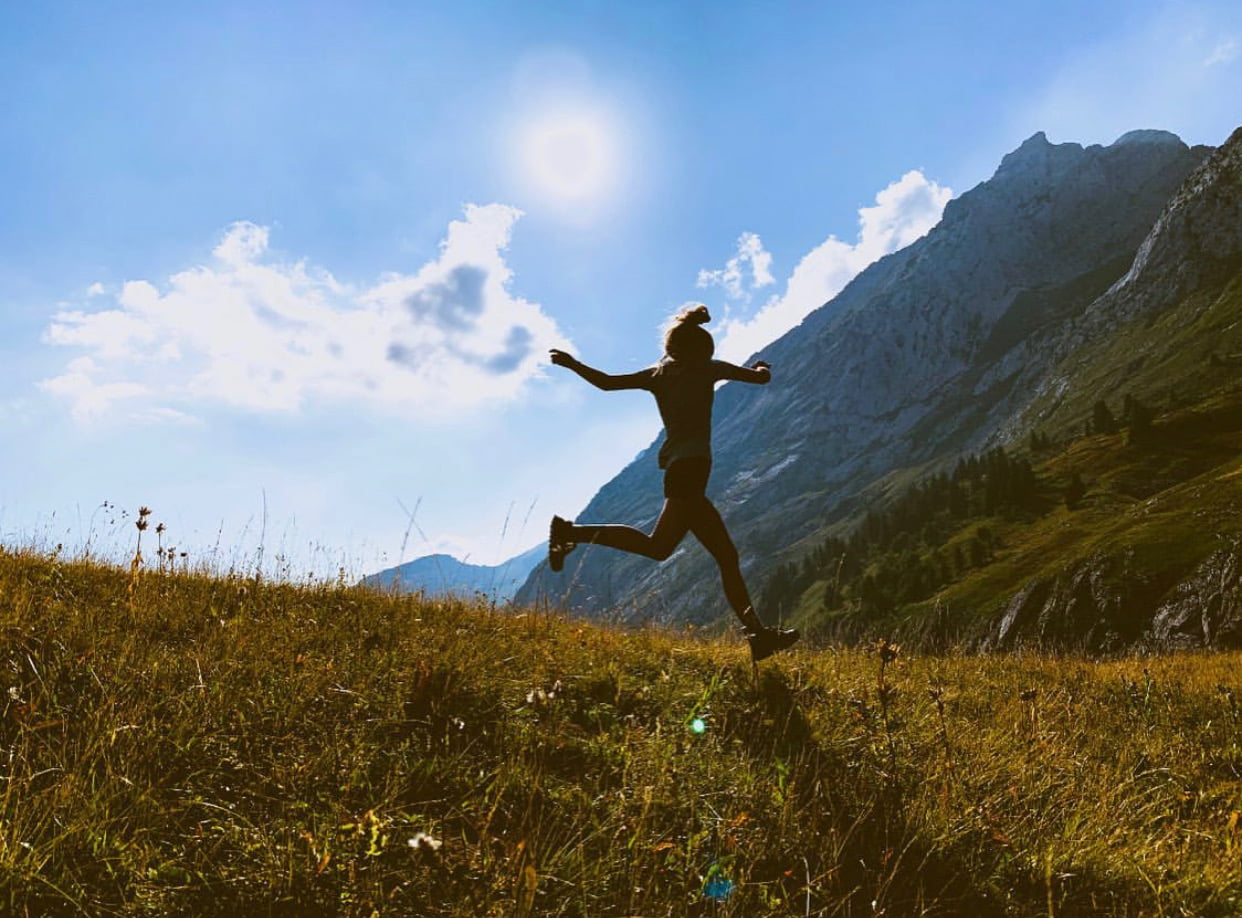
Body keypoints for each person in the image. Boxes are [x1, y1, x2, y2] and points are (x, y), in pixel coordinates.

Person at [547, 303, 800, 662]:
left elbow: (606, 384)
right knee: (721, 555)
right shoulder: (708, 368)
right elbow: (760, 378)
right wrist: (762, 366)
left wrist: (573, 364)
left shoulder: (658, 375)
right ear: (701, 349)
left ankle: (571, 533)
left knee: (665, 548)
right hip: (692, 472)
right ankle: (757, 636)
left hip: (679, 471)